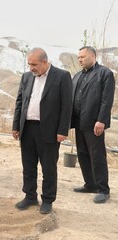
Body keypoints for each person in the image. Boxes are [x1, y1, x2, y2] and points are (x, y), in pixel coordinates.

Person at [12, 47, 73, 214]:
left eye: (34, 64)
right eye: (29, 64)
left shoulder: (61, 76)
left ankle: (47, 200)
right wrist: (16, 126)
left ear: (45, 62)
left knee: (48, 167)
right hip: (28, 129)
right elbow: (20, 102)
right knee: (28, 165)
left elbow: (67, 106)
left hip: (50, 131)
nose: (31, 68)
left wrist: (63, 130)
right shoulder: (26, 77)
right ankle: (30, 196)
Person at [71, 46, 115, 204]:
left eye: (83, 57)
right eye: (78, 57)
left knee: (97, 157)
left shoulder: (105, 73)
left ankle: (103, 189)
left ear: (93, 56)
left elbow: (107, 99)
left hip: (94, 123)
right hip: (78, 122)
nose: (80, 60)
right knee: (82, 155)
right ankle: (90, 184)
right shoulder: (76, 76)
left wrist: (101, 120)